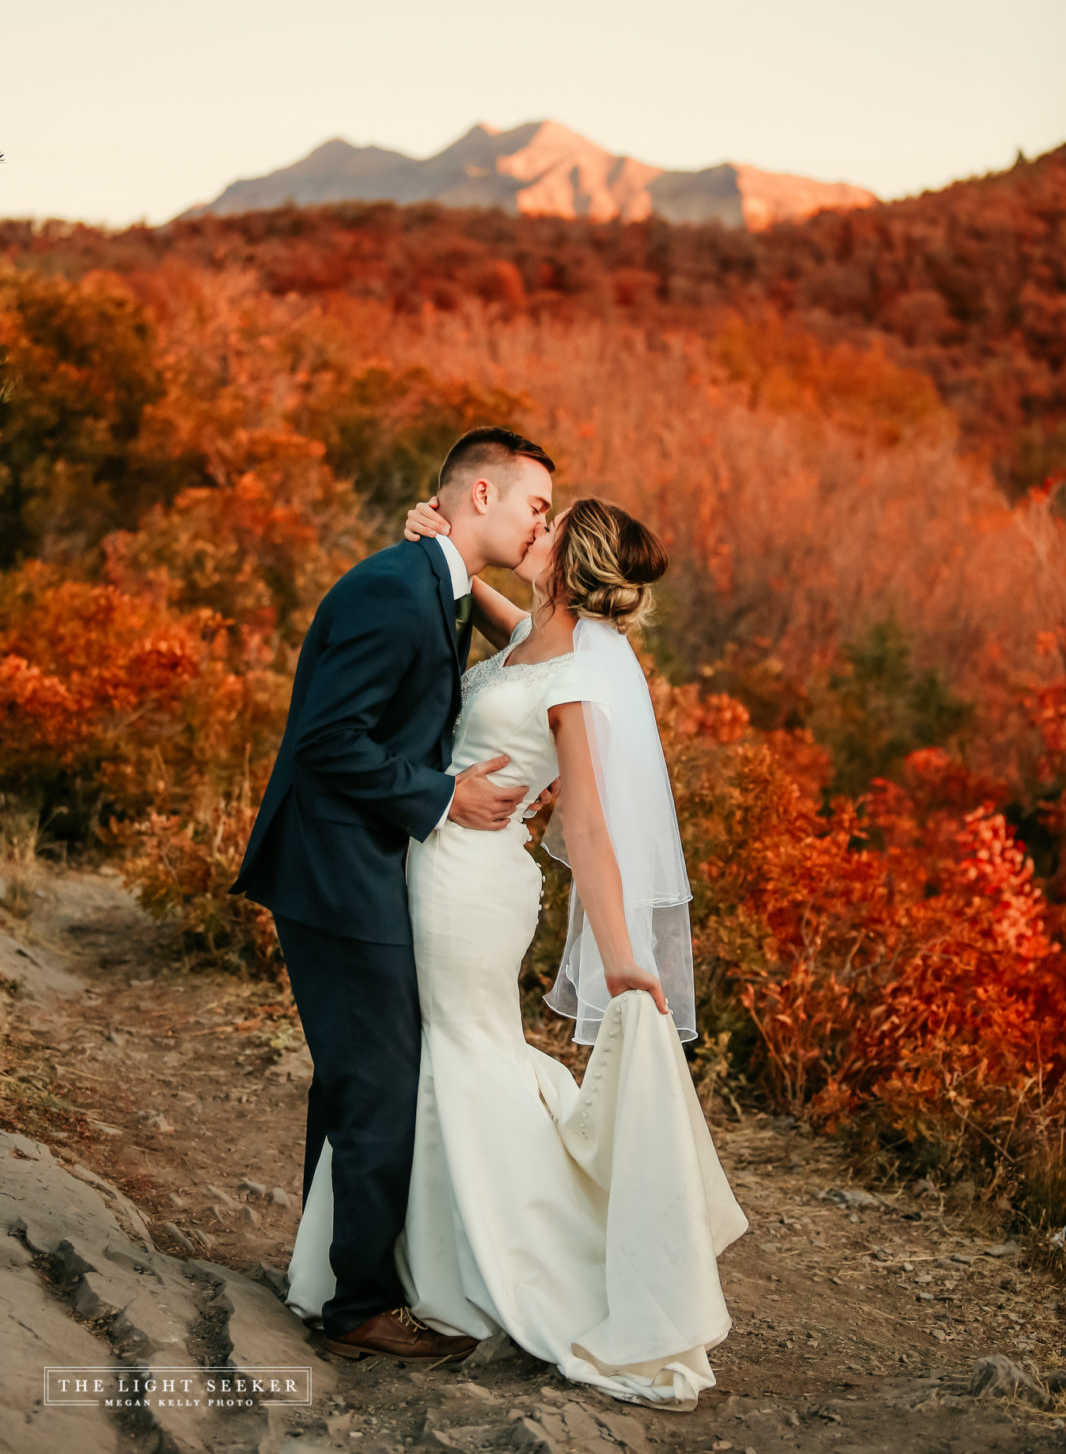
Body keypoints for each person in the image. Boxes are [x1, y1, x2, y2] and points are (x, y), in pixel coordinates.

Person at [285, 492, 749, 1407]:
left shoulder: (582, 674)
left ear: (569, 563)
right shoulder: (537, 640)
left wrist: (622, 958)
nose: (532, 532)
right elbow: (512, 648)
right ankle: (397, 1263)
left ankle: (521, 1263)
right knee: (410, 1058)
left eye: (549, 527)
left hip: (472, 886)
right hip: (432, 860)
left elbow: (589, 822)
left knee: (461, 1055)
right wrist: (443, 545)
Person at [230, 427, 561, 1360]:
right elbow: (329, 741)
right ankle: (359, 1310)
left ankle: (329, 1272)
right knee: (380, 1076)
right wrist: (447, 794)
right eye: (535, 502)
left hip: (366, 864)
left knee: (356, 1076)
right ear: (481, 495)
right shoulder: (393, 589)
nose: (542, 518)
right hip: (337, 869)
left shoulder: (433, 585)